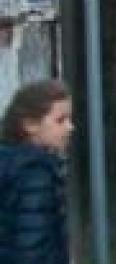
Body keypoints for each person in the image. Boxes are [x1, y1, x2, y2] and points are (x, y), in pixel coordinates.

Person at [0, 79, 74, 264]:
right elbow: (32, 243)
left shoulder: (9, 164)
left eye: (70, 120)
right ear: (30, 125)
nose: (70, 127)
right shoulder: (36, 173)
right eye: (60, 120)